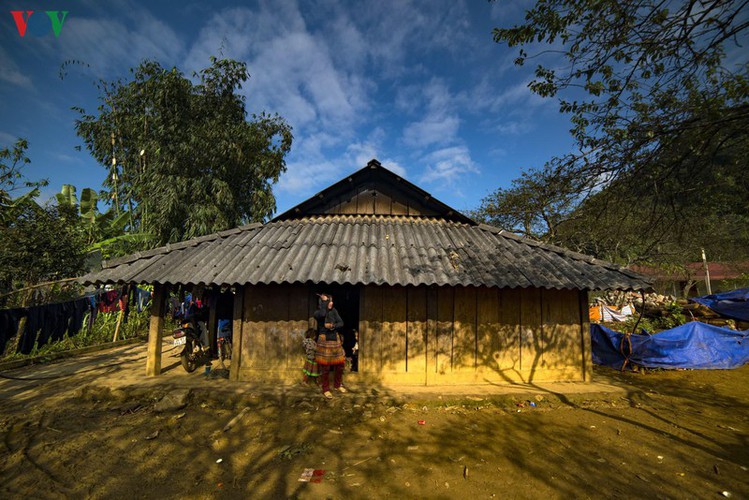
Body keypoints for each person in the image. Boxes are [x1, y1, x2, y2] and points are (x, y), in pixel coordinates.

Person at [314, 293, 346, 399]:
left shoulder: (334, 311)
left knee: (340, 364)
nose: (331, 303)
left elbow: (341, 323)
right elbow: (323, 314)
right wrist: (324, 303)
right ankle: (326, 389)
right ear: (323, 303)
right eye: (329, 301)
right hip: (324, 339)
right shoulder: (318, 312)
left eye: (332, 300)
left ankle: (337, 385)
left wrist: (333, 325)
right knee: (325, 367)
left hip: (334, 338)